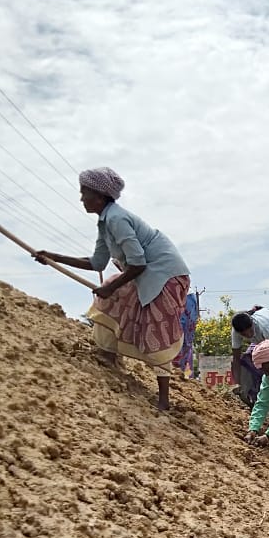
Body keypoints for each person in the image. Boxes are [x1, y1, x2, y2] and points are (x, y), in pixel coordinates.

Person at [36, 167, 191, 410]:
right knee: (111, 293)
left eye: (84, 193)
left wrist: (111, 288)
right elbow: (96, 262)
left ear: (99, 196)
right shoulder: (105, 222)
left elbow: (137, 263)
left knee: (156, 330)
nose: (81, 199)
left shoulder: (117, 219)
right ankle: (108, 354)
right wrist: (53, 257)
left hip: (166, 276)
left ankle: (164, 399)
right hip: (145, 273)